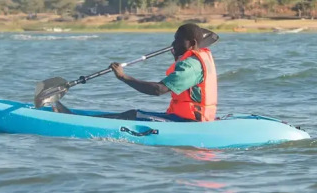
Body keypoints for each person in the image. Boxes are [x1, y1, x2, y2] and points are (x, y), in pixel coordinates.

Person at [52, 23, 217, 122]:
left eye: (177, 40)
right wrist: (178, 57)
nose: (173, 43)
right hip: (191, 118)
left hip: (187, 122)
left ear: (192, 43)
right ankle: (80, 118)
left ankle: (76, 121)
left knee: (133, 115)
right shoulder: (197, 59)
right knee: (132, 114)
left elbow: (158, 90)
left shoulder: (191, 65)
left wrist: (124, 77)